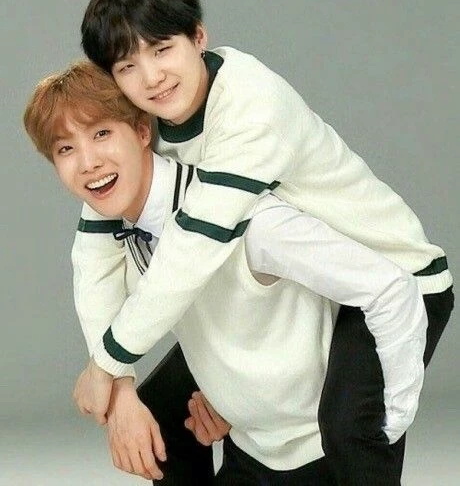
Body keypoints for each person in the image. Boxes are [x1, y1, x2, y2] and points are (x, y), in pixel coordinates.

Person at [73, 0, 454, 483]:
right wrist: (118, 386)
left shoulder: (252, 105)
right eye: (127, 66)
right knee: (162, 413)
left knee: (350, 429)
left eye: (162, 49)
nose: (152, 77)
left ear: (199, 37)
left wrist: (108, 363)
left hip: (390, 280)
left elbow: (194, 248)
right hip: (302, 285)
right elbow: (96, 249)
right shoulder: (143, 121)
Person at [23, 60, 430, 485]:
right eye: (65, 149)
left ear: (143, 132)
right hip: (251, 451)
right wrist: (122, 390)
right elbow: (94, 282)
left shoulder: (247, 218)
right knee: (160, 408)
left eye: (101, 134)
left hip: (326, 452)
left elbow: (389, 285)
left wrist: (391, 420)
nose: (88, 162)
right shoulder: (121, 228)